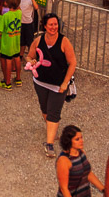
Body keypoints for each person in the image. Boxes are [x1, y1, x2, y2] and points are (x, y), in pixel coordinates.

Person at [26, 12, 77, 158]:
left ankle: (49, 144)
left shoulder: (64, 41)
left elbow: (72, 62)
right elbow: (29, 56)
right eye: (51, 25)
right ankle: (52, 130)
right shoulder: (38, 40)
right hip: (40, 82)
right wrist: (31, 61)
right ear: (45, 26)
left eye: (56, 24)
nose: (54, 27)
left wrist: (65, 82)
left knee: (54, 112)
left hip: (58, 85)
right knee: (44, 108)